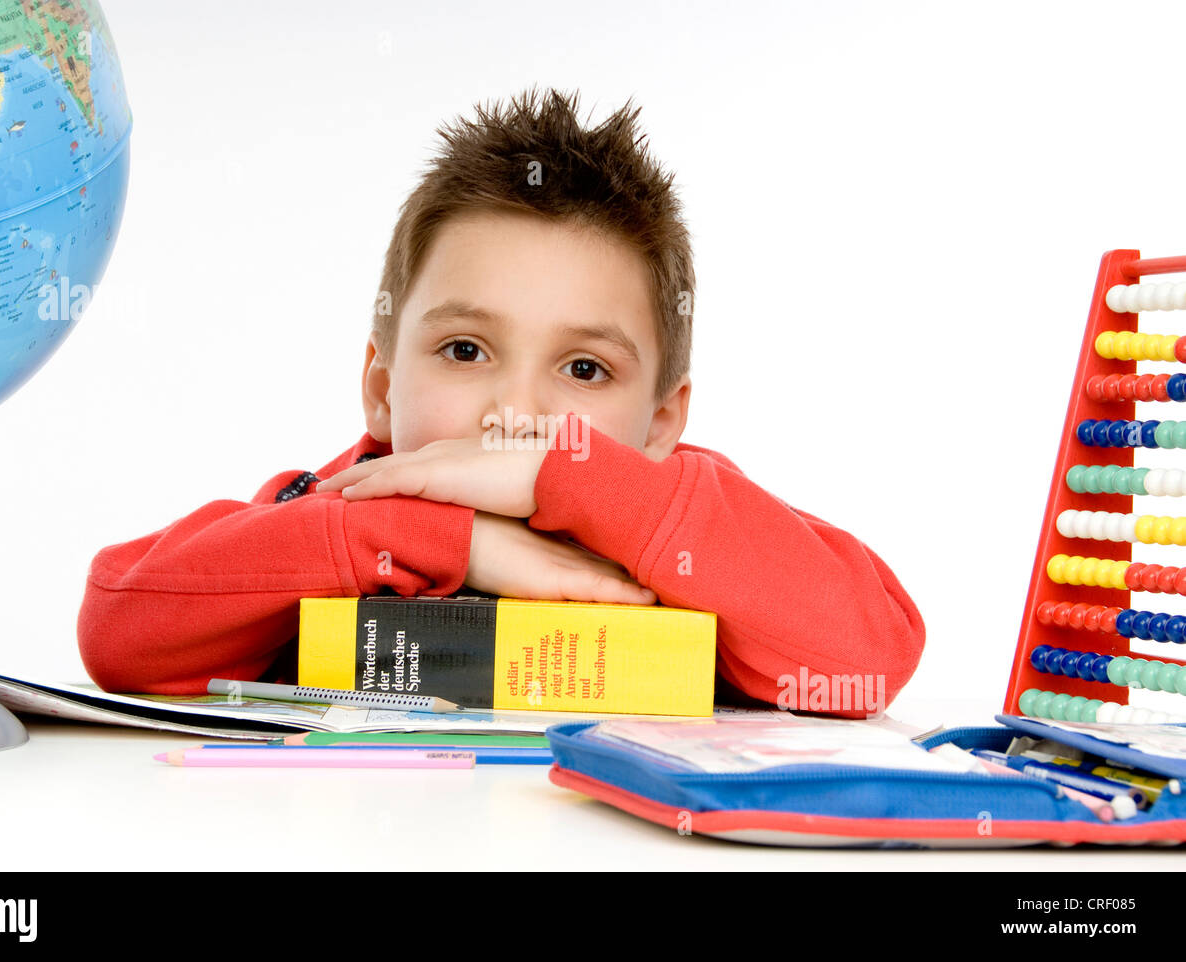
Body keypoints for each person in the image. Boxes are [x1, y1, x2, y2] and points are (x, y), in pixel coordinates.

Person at [78, 87, 924, 717]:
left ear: (662, 424)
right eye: (465, 350)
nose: (515, 414)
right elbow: (119, 629)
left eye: (584, 370)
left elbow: (874, 652)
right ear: (381, 390)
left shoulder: (679, 516)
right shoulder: (338, 507)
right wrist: (440, 536)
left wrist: (571, 478)